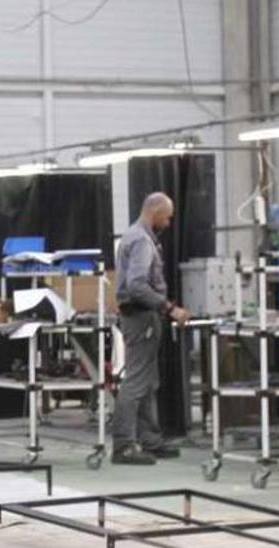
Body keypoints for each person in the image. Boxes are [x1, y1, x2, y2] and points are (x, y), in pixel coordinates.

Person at [112, 192, 190, 466]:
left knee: (147, 382)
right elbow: (137, 285)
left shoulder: (132, 236)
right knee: (135, 382)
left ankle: (150, 440)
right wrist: (170, 308)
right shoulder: (142, 241)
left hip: (141, 317)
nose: (168, 224)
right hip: (141, 317)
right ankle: (123, 445)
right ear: (155, 211)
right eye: (167, 217)